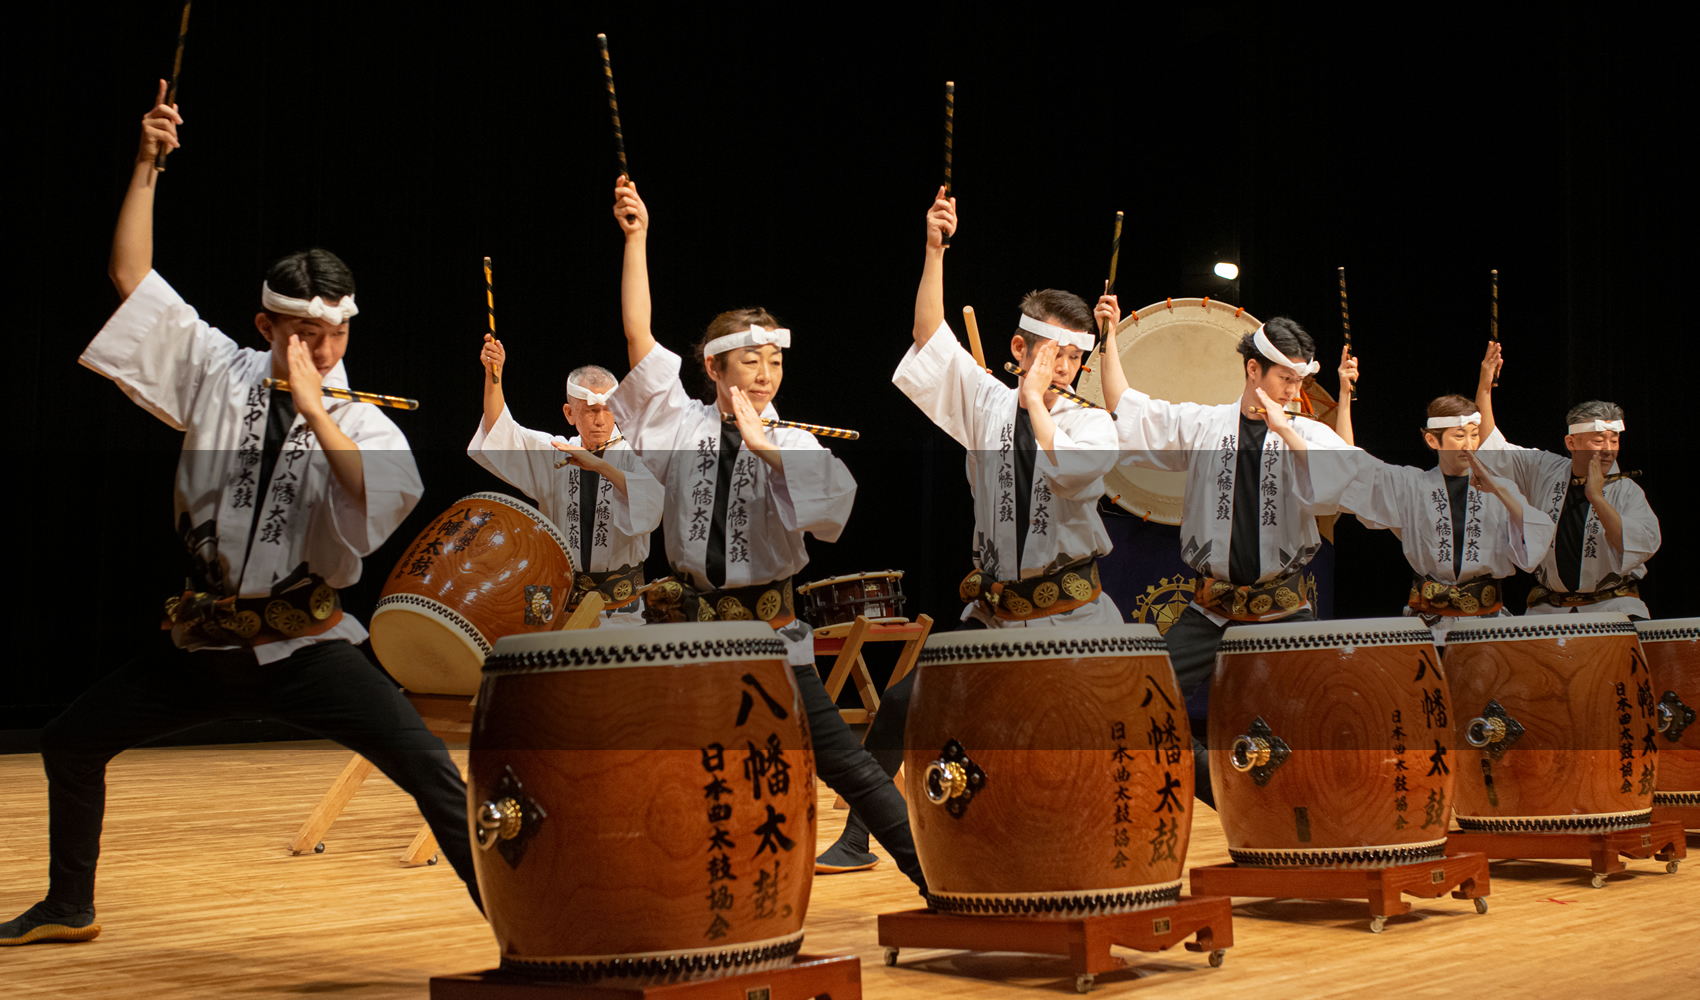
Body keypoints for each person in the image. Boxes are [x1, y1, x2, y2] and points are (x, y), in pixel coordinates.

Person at [2, 83, 479, 947]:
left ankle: (528, 933)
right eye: (301, 334)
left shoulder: (362, 416)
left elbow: (373, 498)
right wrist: (146, 165)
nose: (323, 351)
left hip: (306, 648)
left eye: (335, 336)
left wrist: (315, 402)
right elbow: (130, 278)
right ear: (265, 323)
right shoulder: (217, 370)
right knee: (71, 741)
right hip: (207, 643)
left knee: (430, 774)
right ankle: (71, 904)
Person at [605, 178, 926, 894]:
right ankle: (665, 901)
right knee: (671, 771)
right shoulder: (678, 424)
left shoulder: (797, 440)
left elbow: (832, 509)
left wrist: (769, 446)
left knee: (845, 764)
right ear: (712, 367)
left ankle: (939, 881)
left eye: (775, 362)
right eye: (749, 361)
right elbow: (638, 338)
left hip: (774, 638)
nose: (765, 374)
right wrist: (637, 239)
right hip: (692, 637)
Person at [812, 186, 1125, 873]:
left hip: (1071, 618)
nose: (1061, 368)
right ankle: (862, 837)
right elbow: (930, 338)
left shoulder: (1091, 423)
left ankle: (1098, 846)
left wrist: (1039, 399)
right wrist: (933, 249)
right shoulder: (986, 402)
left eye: (1071, 360)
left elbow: (1069, 474)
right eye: (1048, 354)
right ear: (1019, 346)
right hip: (993, 614)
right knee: (898, 704)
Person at [1099, 298, 1357, 807]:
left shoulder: (1303, 433)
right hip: (1210, 608)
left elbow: (1343, 479)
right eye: (1285, 378)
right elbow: (1129, 410)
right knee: (1140, 701)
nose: (1293, 391)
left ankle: (1320, 812)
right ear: (1252, 369)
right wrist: (1109, 338)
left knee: (1330, 708)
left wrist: (1310, 416)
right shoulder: (1205, 426)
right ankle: (1221, 789)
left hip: (1283, 607)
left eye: (1299, 381)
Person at [1336, 361, 1554, 644]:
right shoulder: (1411, 485)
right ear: (1432, 439)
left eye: (1474, 435)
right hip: (1427, 624)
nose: (1469, 444)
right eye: (1459, 435)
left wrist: (1500, 490)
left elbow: (1535, 542)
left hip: (1487, 624)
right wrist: (1343, 397)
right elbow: (1349, 466)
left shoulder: (1501, 488)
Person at [468, 337, 663, 625]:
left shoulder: (636, 455)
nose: (600, 420)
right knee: (542, 665)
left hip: (618, 604)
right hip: (553, 594)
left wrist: (599, 466)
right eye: (590, 410)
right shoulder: (556, 452)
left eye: (607, 410)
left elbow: (652, 502)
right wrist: (492, 375)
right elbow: (501, 432)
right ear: (570, 414)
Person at [1471, 342, 1660, 618]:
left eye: (1614, 439)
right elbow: (1493, 447)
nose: (1608, 448)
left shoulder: (1627, 491)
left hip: (1614, 608)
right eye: (1598, 439)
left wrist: (1597, 498)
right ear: (1572, 442)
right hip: (1549, 609)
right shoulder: (1545, 469)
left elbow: (1638, 545)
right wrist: (1485, 387)